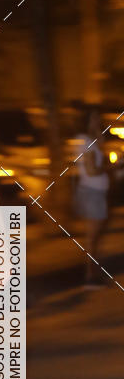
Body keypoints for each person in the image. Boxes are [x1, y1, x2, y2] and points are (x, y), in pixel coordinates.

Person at [72, 104, 110, 288]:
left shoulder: (91, 139)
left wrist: (98, 133)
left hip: (96, 192)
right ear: (86, 119)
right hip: (91, 192)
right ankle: (90, 277)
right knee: (92, 238)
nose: (98, 120)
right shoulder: (83, 140)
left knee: (95, 238)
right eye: (94, 118)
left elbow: (99, 155)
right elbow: (91, 170)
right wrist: (111, 167)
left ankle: (93, 275)